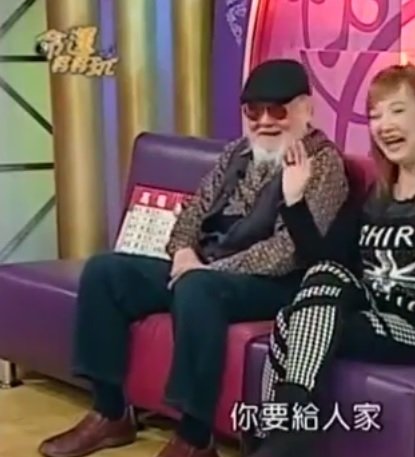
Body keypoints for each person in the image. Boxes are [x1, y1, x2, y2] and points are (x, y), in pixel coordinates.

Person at [38, 59, 349, 457]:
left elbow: (285, 253)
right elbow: (192, 212)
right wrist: (184, 252)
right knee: (106, 272)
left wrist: (205, 271)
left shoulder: (322, 164)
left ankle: (195, 436)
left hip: (275, 284)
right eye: (253, 111)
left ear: (305, 109)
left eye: (278, 110)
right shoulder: (237, 153)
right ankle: (110, 412)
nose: (265, 122)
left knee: (198, 288)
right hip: (207, 271)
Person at [246, 63, 415, 457]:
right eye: (375, 115)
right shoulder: (376, 197)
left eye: (397, 111)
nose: (384, 124)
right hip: (375, 316)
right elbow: (324, 265)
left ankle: (277, 435)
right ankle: (288, 433)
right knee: (304, 304)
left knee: (292, 322)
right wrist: (295, 200)